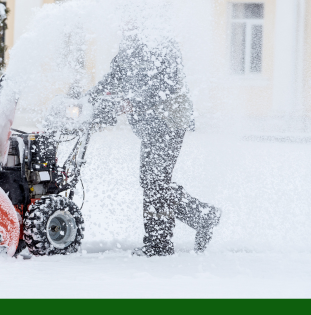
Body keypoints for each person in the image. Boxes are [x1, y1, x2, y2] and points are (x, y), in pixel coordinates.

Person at [86, 32, 221, 257]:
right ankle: (200, 218)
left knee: (154, 181)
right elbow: (113, 77)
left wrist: (131, 100)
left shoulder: (163, 44)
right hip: (152, 126)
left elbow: (162, 83)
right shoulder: (130, 45)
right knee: (153, 181)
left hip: (169, 121)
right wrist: (86, 100)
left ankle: (162, 242)